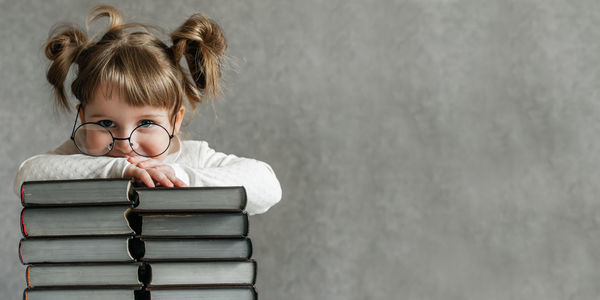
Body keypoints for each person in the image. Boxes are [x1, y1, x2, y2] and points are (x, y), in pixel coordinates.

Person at [12, 5, 281, 215]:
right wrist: (115, 170)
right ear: (83, 119)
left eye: (146, 123)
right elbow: (27, 175)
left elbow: (268, 187)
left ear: (175, 122)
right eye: (106, 123)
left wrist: (177, 176)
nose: (126, 142)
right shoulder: (82, 154)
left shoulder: (191, 158)